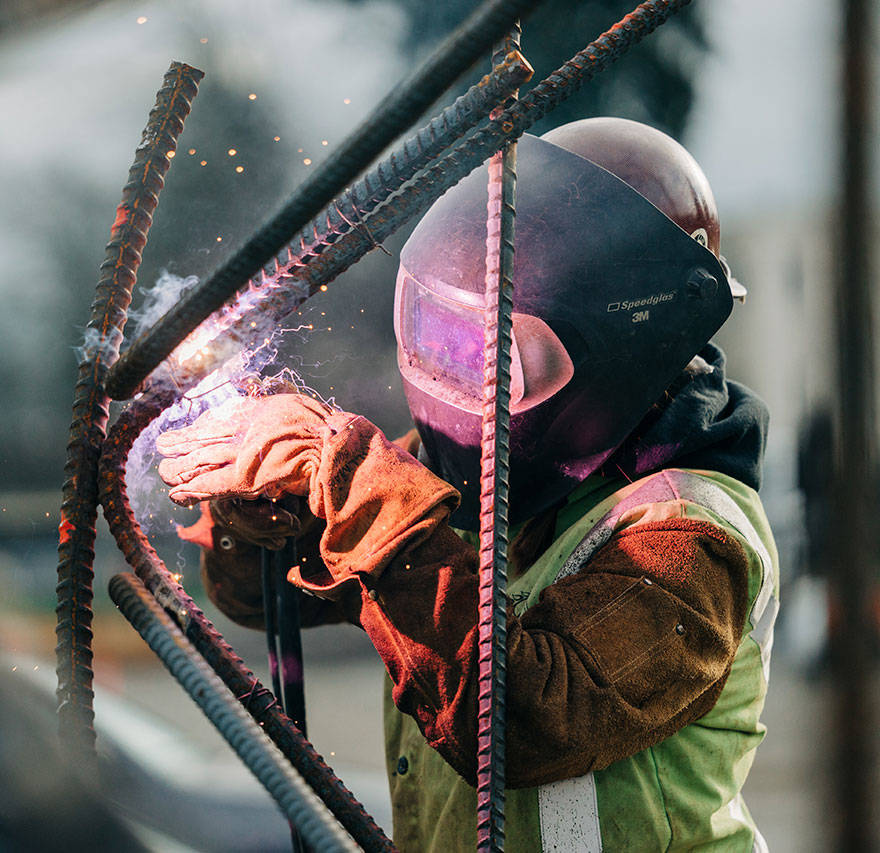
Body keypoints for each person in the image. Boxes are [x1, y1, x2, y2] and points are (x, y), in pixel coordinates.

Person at [158, 117, 778, 852]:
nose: (454, 378)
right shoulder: (461, 469)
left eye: (488, 353)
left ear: (620, 347)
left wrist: (353, 481)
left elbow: (522, 722)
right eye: (436, 336)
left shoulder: (690, 537)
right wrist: (260, 510)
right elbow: (264, 597)